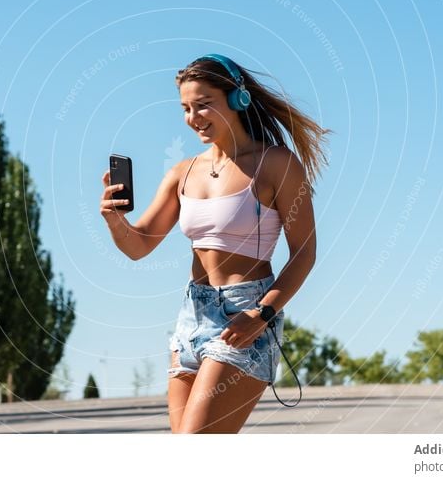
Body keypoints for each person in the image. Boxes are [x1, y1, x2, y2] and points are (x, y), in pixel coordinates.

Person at [99, 54, 330, 433]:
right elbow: (139, 246)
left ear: (238, 99)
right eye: (186, 108)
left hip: (247, 312)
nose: (193, 117)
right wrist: (114, 219)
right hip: (192, 316)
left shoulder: (276, 164)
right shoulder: (182, 172)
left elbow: (304, 252)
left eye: (204, 104)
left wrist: (262, 314)